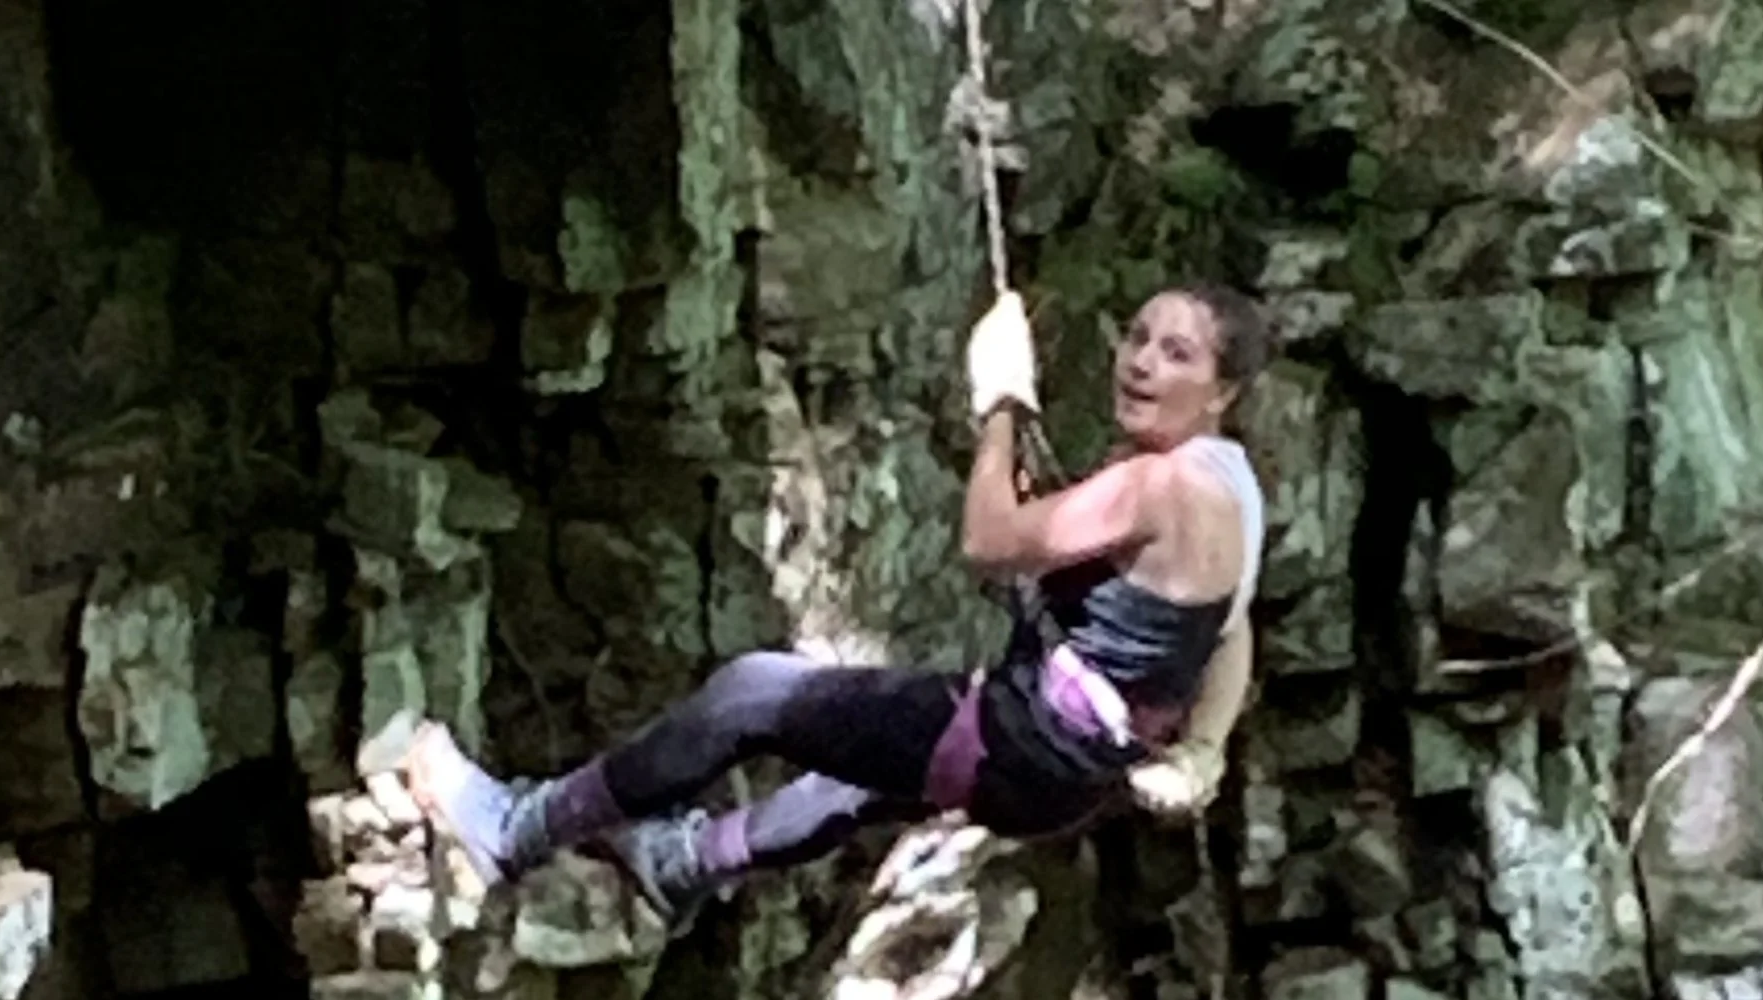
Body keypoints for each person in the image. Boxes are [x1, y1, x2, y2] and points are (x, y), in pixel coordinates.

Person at [385, 283, 1269, 914]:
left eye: (1177, 353)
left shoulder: (1160, 487)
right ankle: (681, 860)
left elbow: (988, 544)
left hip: (1021, 743)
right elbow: (1228, 634)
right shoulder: (1232, 490)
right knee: (863, 778)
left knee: (757, 694)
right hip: (1071, 774)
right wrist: (1203, 749)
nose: (1143, 362)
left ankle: (515, 828)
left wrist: (997, 402)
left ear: (1222, 392)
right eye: (1139, 336)